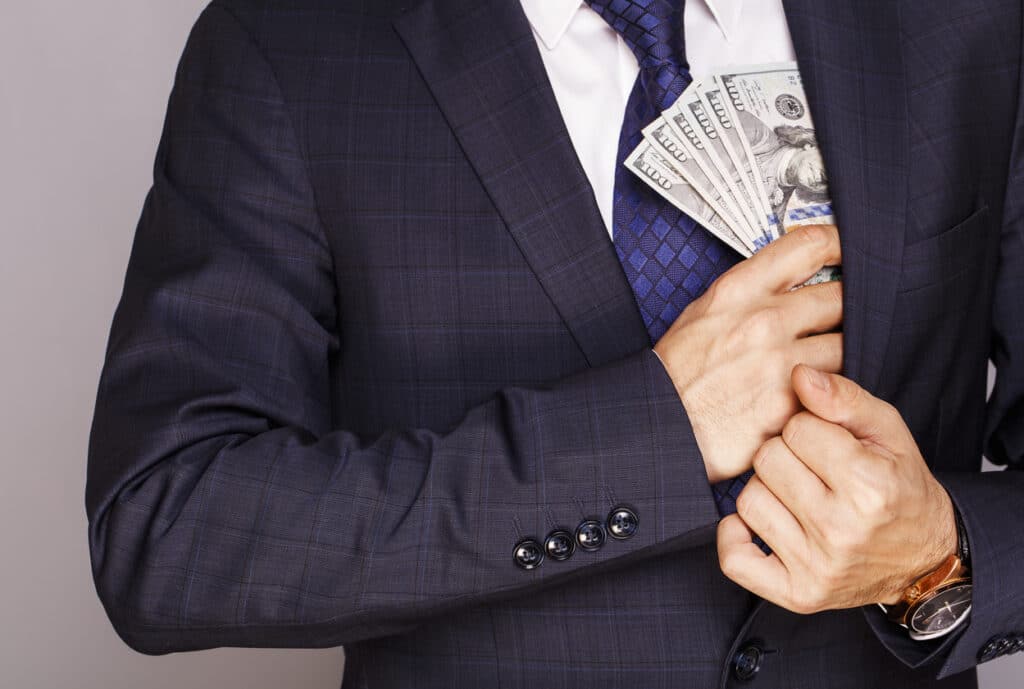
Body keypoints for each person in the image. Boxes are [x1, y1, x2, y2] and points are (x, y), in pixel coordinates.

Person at [85, 0, 1024, 687]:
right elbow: (166, 531)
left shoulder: (969, 24)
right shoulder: (289, 46)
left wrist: (942, 557)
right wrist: (657, 430)